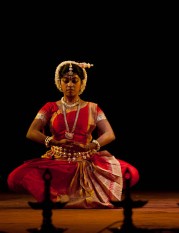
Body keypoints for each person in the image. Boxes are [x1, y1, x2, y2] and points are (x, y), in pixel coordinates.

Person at [7, 60, 140, 208]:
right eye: (66, 80)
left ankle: (66, 196)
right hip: (58, 164)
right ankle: (55, 198)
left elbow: (109, 134)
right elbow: (31, 132)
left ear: (81, 83)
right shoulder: (50, 107)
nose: (70, 84)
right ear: (60, 83)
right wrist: (53, 142)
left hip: (87, 164)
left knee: (131, 173)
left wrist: (90, 145)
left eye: (74, 80)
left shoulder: (92, 107)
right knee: (15, 177)